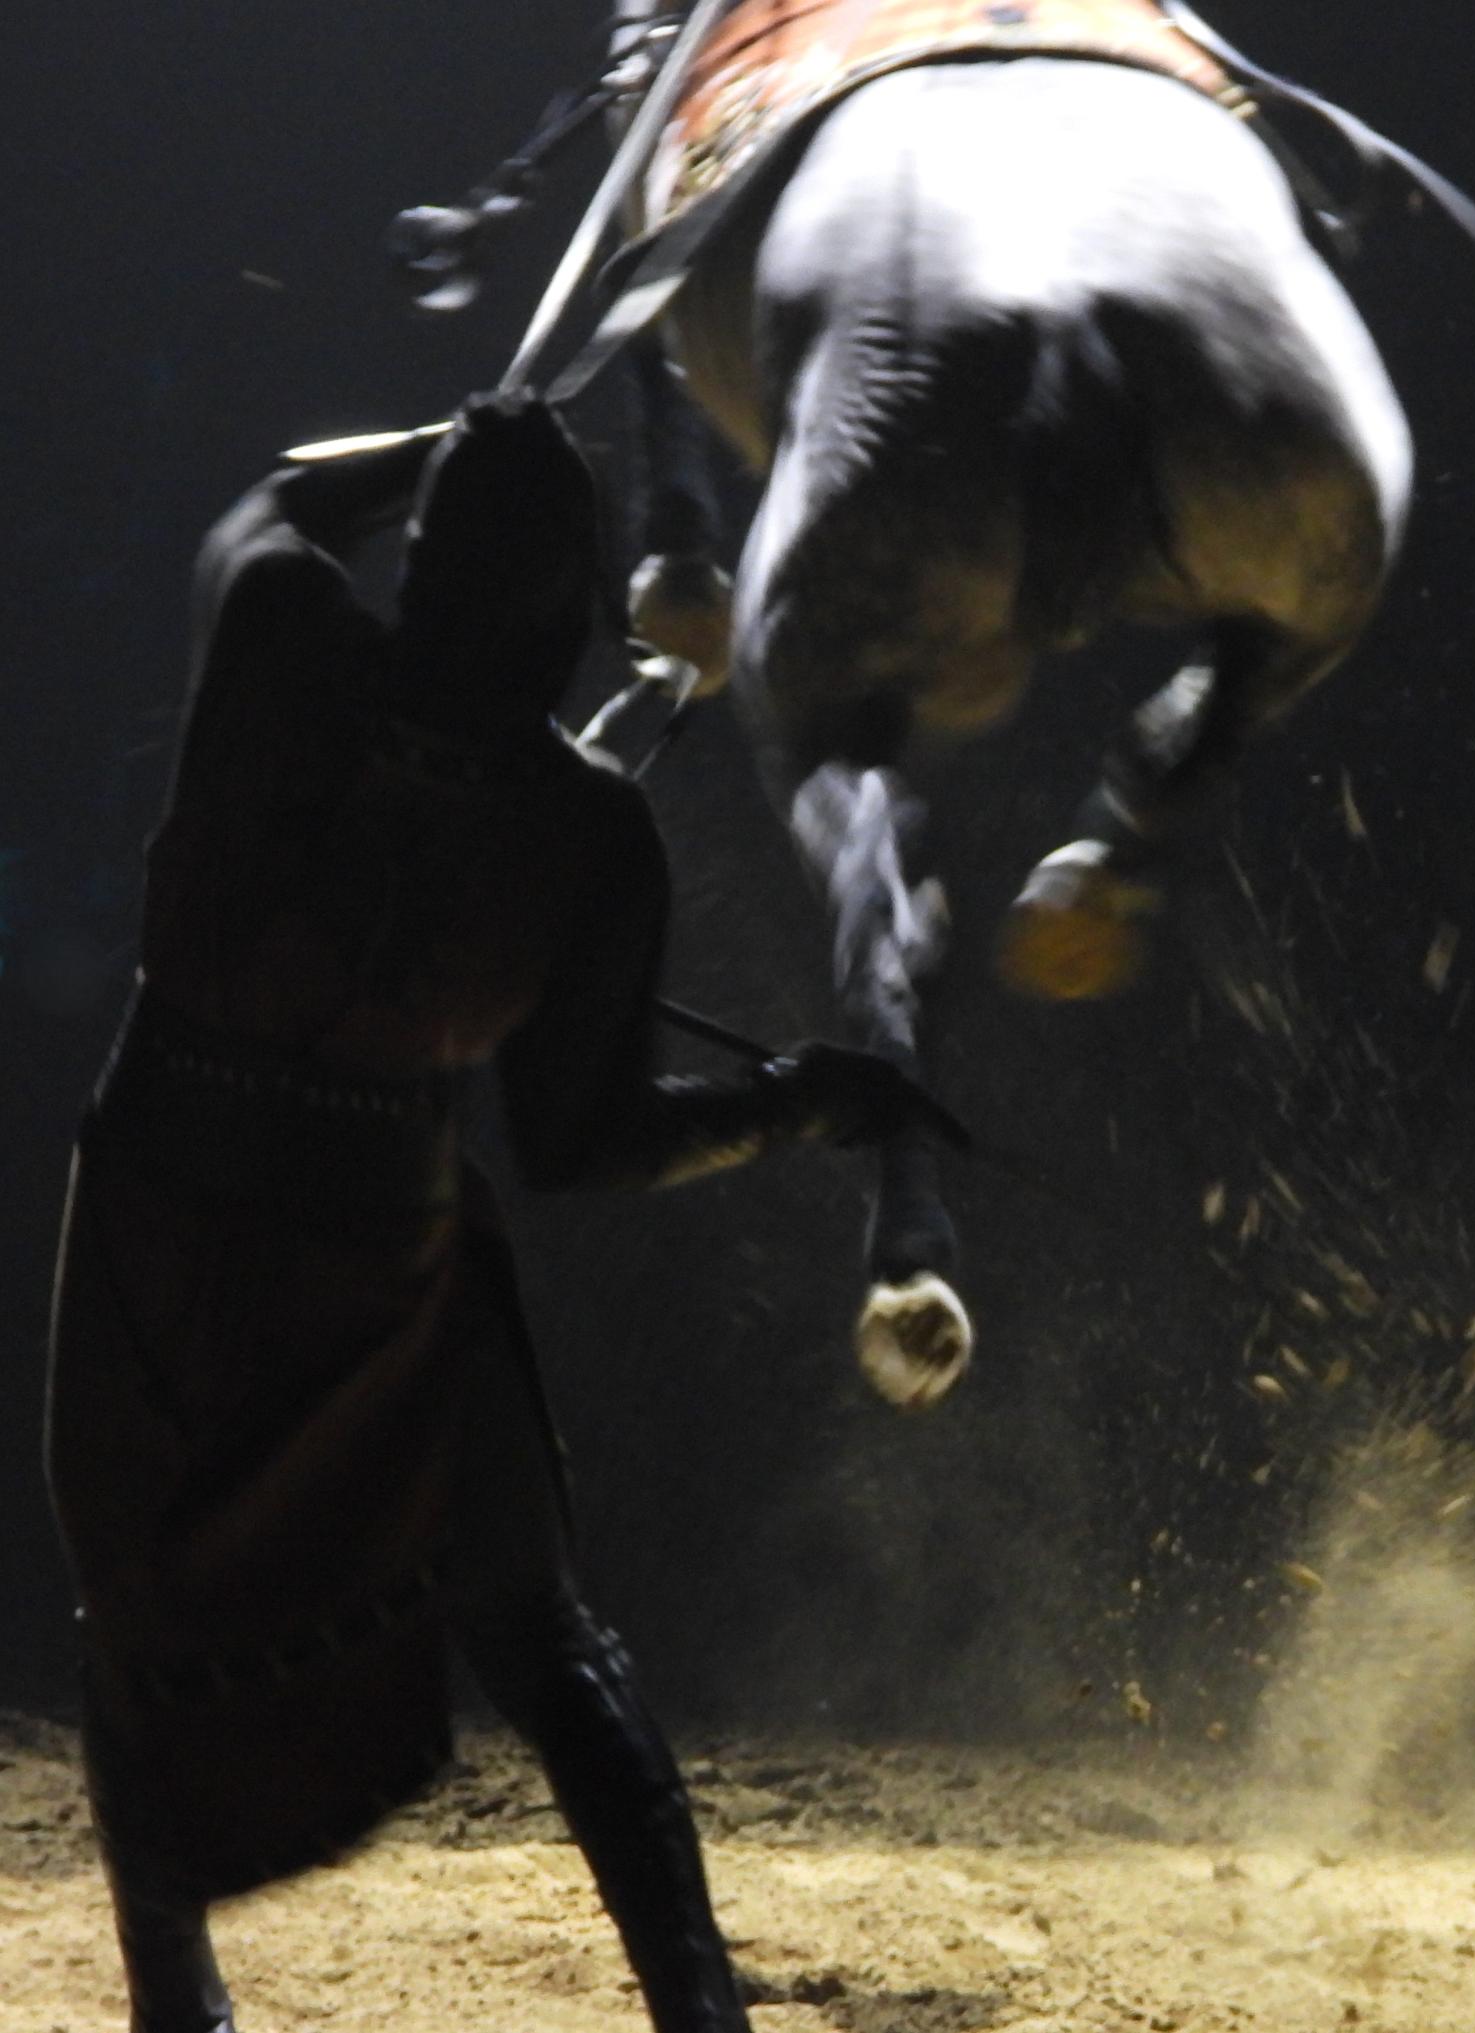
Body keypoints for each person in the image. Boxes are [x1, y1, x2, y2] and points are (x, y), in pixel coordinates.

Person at [44, 394, 955, 2033]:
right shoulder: (584, 827)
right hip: (371, 1231)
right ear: (569, 603)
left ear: (431, 557)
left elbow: (268, 494)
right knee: (536, 1634)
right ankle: (700, 2013)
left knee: (141, 1601)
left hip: (160, 1203)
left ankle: (176, 2006)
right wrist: (808, 1102)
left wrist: (433, 439)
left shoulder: (282, 631)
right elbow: (585, 1140)